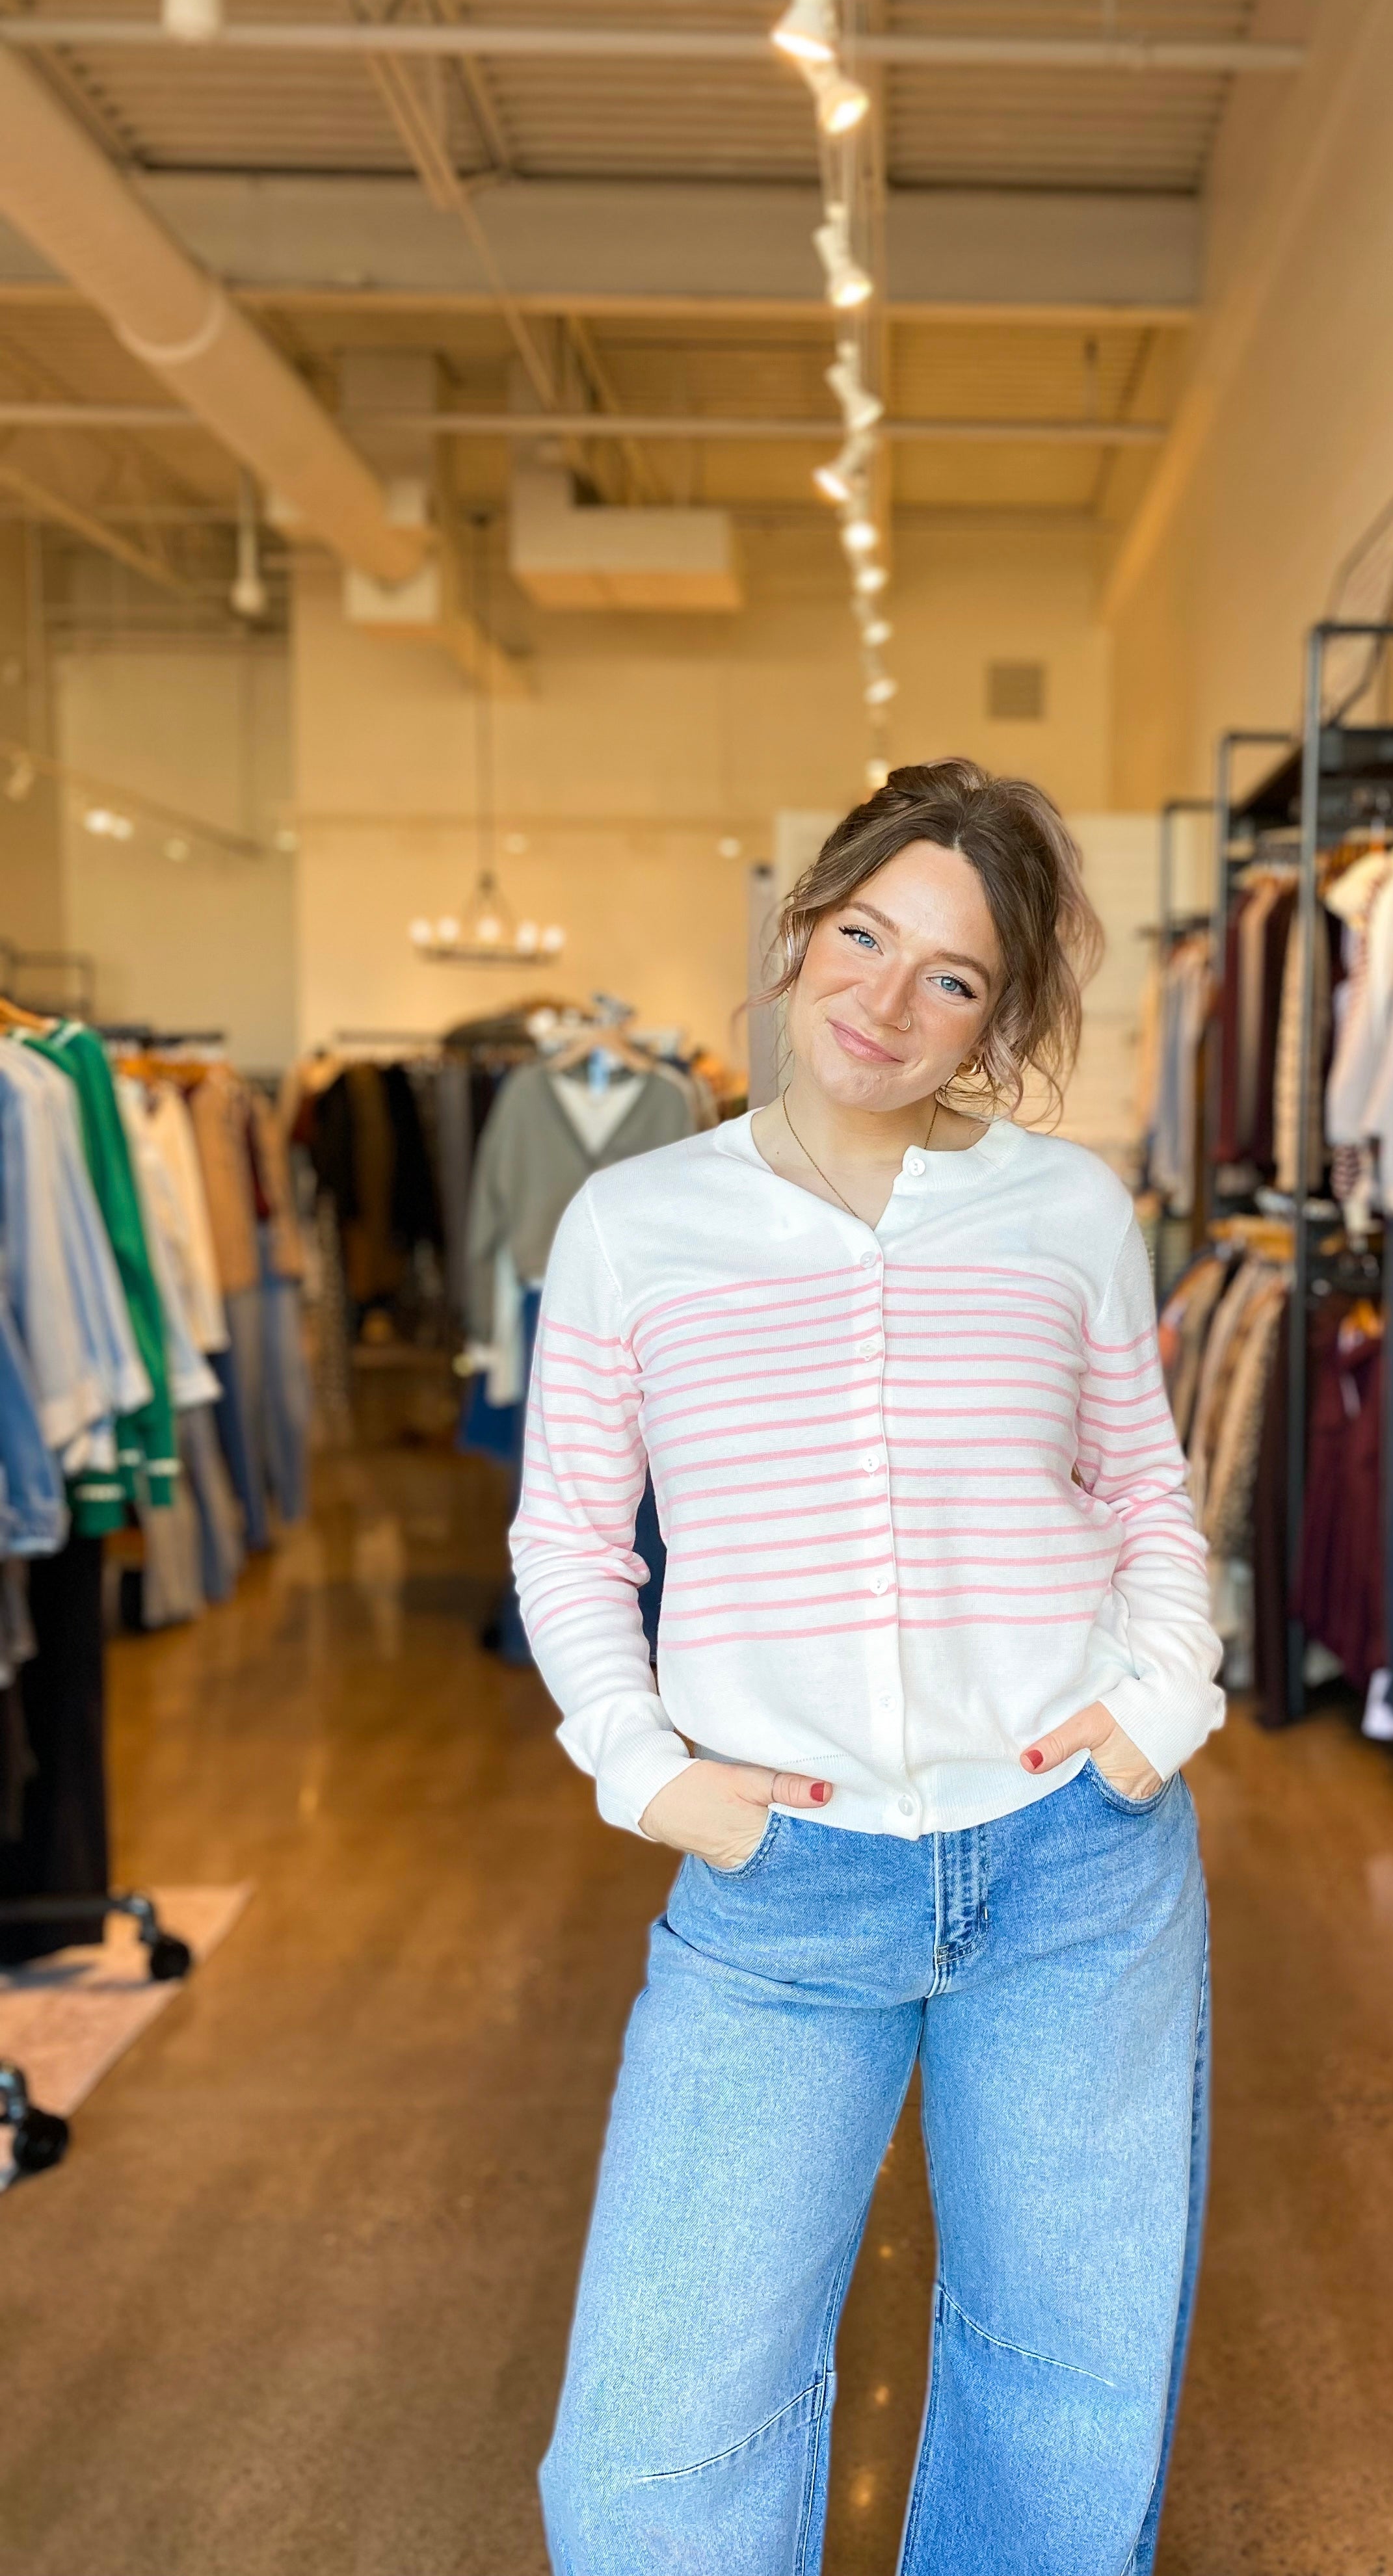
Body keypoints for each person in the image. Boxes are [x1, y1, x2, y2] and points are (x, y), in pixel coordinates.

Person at [514, 757, 1223, 2575]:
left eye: (955, 978)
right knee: (656, 2438)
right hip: (781, 1890)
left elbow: (1141, 1483)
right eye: (864, 936)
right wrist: (643, 1765)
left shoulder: (1060, 1210)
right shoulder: (633, 1224)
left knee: (1065, 2385)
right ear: (801, 926)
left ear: (1001, 1019)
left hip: (1076, 1864)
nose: (886, 1001)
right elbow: (570, 1535)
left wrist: (1162, 1707)